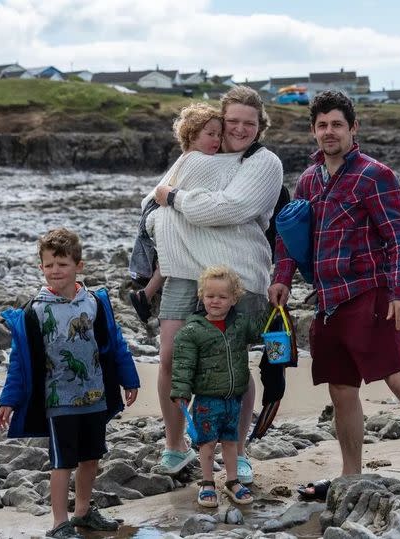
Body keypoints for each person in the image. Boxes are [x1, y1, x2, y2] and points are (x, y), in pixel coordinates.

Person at [268, 90, 400, 501]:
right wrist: (282, 276)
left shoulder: (375, 175)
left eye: (337, 124)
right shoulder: (308, 179)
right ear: (313, 131)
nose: (329, 132)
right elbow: (290, 235)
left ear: (353, 129)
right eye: (322, 125)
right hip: (327, 301)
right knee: (341, 389)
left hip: (370, 294)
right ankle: (350, 474)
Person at [145, 86, 283, 482]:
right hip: (184, 269)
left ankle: (237, 453)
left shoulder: (263, 162)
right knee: (171, 355)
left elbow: (233, 208)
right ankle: (175, 446)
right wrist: (169, 210)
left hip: (235, 271)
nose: (240, 129)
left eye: (249, 123)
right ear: (220, 123)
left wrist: (178, 202)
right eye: (233, 121)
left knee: (231, 363)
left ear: (260, 127)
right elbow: (150, 204)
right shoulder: (198, 157)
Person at [0, 228, 140, 539]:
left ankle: (84, 512)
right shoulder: (34, 311)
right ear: (41, 268)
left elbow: (115, 344)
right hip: (59, 401)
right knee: (62, 464)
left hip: (95, 395)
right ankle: (59, 523)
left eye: (62, 264)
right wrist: (9, 400)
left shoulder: (94, 303)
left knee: (91, 458)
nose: (55, 271)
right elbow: (19, 361)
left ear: (79, 266)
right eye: (49, 265)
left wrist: (129, 378)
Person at [170, 266, 267, 507]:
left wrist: (275, 312)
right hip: (206, 399)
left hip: (233, 398)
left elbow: (260, 332)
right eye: (210, 296)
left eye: (222, 297)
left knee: (231, 441)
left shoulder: (241, 324)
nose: (215, 301)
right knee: (207, 443)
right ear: (201, 296)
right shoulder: (192, 330)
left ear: (234, 299)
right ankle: (207, 482)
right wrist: (181, 391)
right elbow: (183, 364)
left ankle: (232, 480)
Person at [128, 103, 224, 324]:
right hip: (160, 212)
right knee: (178, 256)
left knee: (166, 262)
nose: (216, 140)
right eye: (210, 134)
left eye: (219, 134)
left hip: (153, 212)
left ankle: (146, 295)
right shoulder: (198, 160)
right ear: (191, 134)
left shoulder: (186, 157)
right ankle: (149, 295)